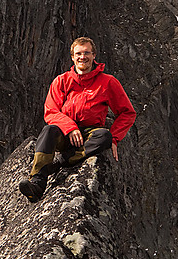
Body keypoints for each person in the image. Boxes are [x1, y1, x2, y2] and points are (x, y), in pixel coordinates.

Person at [18, 37, 136, 202]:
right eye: (78, 53)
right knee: (49, 130)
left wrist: (115, 138)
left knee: (105, 137)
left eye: (87, 53)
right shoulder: (61, 81)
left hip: (90, 134)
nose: (83, 57)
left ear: (94, 55)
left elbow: (127, 113)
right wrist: (70, 128)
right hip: (65, 133)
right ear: (72, 57)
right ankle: (37, 184)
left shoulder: (108, 82)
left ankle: (59, 162)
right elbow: (51, 111)